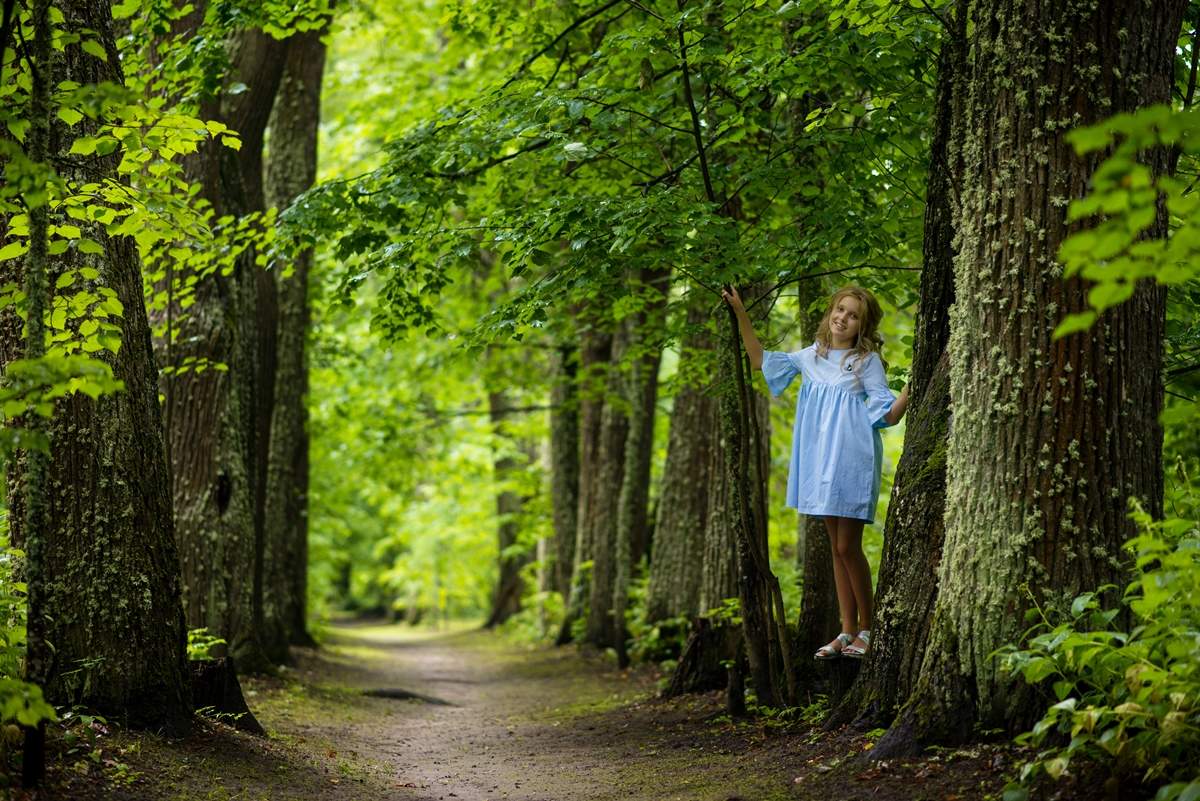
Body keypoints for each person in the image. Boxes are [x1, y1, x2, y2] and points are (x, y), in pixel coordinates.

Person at [721, 284, 909, 659]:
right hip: (819, 463)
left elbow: (887, 415)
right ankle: (846, 631)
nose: (843, 318)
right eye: (840, 309)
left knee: (846, 546)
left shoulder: (865, 362)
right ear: (829, 313)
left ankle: (868, 631)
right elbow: (760, 361)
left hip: (851, 461)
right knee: (836, 550)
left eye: (853, 315)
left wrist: (913, 387)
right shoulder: (812, 356)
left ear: (862, 325)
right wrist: (740, 312)